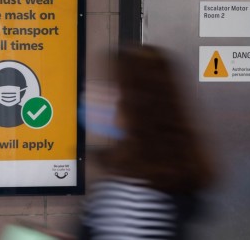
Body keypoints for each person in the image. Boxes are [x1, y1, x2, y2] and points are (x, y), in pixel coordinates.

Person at [79, 45, 214, 240]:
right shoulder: (167, 171)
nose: (98, 95)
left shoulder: (131, 194)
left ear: (132, 101)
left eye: (111, 86)